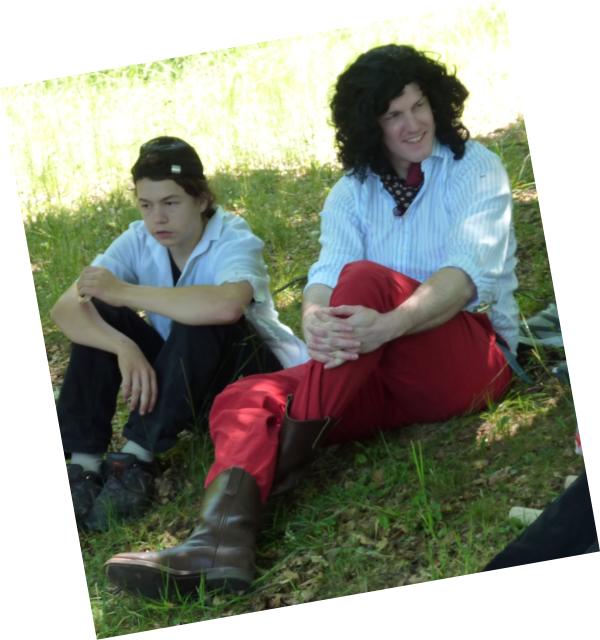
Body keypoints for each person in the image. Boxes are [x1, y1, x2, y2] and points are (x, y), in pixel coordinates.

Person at [105, 44, 518, 599]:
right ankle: (219, 540)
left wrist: (388, 324)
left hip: (466, 359)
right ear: (368, 125)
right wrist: (315, 317)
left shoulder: (475, 168)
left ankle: (276, 469)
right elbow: (325, 277)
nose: (413, 124)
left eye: (419, 106)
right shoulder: (351, 192)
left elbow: (467, 276)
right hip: (368, 371)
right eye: (393, 115)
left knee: (366, 279)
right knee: (242, 398)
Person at [52, 136, 308, 532]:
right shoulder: (139, 239)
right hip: (188, 378)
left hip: (253, 378)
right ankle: (82, 464)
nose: (157, 218)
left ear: (201, 200)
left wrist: (124, 292)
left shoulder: (233, 237)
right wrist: (123, 346)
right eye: (146, 205)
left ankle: (136, 458)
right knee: (99, 312)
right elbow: (65, 308)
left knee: (203, 312)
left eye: (171, 203)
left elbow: (227, 306)